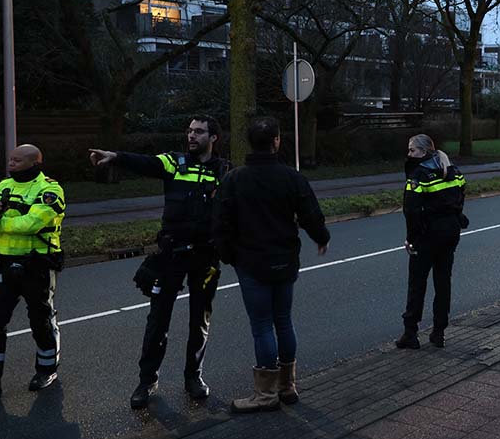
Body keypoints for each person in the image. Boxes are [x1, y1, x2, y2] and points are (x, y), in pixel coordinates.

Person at [89, 116, 230, 409]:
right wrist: (116, 156)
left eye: (199, 132)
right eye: (189, 131)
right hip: (171, 254)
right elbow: (146, 163)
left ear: (213, 138)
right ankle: (147, 380)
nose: (191, 136)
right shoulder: (173, 162)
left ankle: (194, 377)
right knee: (157, 321)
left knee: (199, 320)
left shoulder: (224, 171)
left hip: (205, 256)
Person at [213, 116, 329, 413]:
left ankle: (265, 395)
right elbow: (310, 214)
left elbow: (222, 222)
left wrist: (229, 255)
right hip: (285, 260)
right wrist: (321, 237)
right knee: (283, 320)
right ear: (277, 141)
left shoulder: (235, 179)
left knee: (262, 325)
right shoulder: (292, 177)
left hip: (251, 262)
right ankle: (288, 387)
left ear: (250, 143)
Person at [0, 145, 65, 406]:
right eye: (10, 158)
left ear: (34, 162)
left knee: (41, 320)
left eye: (17, 160)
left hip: (37, 266)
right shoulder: (4, 186)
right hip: (3, 266)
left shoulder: (50, 189)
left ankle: (46, 370)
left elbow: (32, 224)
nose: (11, 162)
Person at [397, 134, 467, 350]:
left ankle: (410, 334)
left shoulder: (419, 175)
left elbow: (411, 210)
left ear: (423, 151)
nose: (409, 154)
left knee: (417, 284)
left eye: (412, 150)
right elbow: (461, 194)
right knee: (443, 282)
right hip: (450, 233)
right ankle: (439, 332)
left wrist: (411, 239)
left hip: (427, 236)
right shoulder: (452, 170)